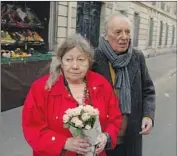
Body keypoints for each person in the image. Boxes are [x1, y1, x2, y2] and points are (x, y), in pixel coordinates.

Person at [22, 34, 122, 156]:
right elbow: (32, 128)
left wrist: (106, 137)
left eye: (81, 60)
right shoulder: (42, 88)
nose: (75, 66)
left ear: (89, 62)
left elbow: (115, 118)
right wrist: (64, 143)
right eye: (69, 59)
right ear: (61, 62)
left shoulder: (101, 84)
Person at [92, 14, 156, 156]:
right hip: (102, 138)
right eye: (118, 32)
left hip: (131, 135)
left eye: (127, 32)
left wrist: (148, 115)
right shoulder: (93, 58)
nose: (124, 37)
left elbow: (148, 90)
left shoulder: (137, 57)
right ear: (105, 35)